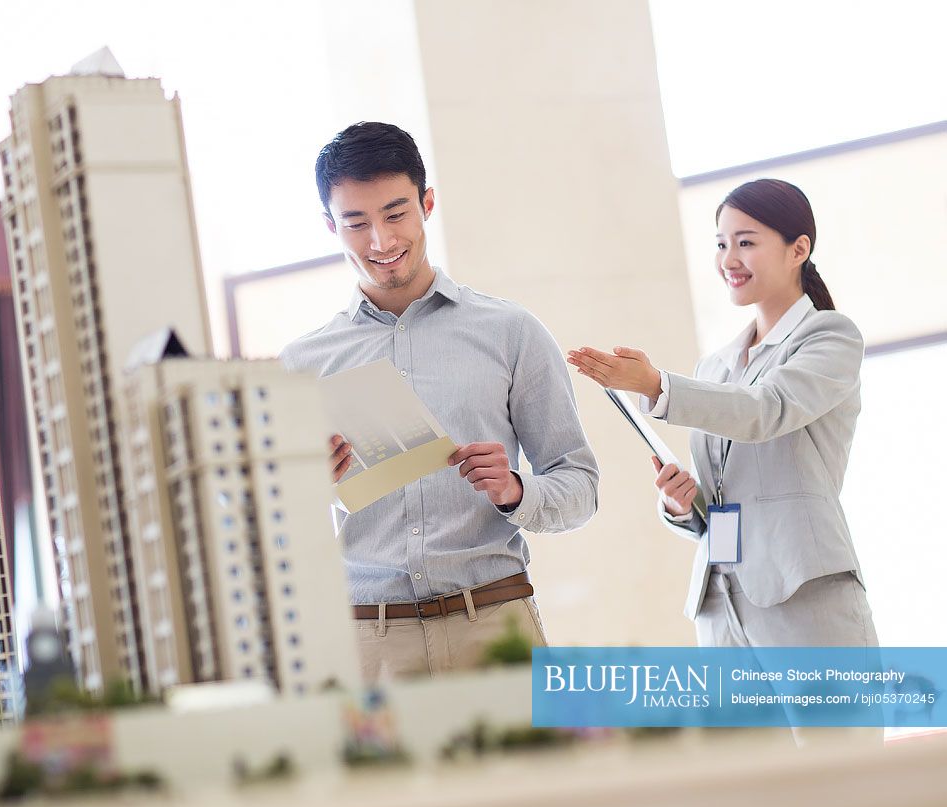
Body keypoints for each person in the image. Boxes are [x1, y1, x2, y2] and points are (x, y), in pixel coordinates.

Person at [279, 122, 599, 681]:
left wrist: (516, 490)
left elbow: (581, 487)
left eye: (396, 213)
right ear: (330, 226)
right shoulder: (300, 365)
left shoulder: (511, 333)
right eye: (357, 222)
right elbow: (270, 532)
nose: (381, 241)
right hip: (367, 645)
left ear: (428, 203)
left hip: (496, 626)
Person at [567, 178, 878, 649]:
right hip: (720, 607)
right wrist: (681, 504)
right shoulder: (715, 366)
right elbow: (724, 496)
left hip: (803, 598)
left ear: (799, 249)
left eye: (746, 243)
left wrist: (656, 385)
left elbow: (766, 410)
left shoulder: (830, 337)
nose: (728, 259)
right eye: (721, 244)